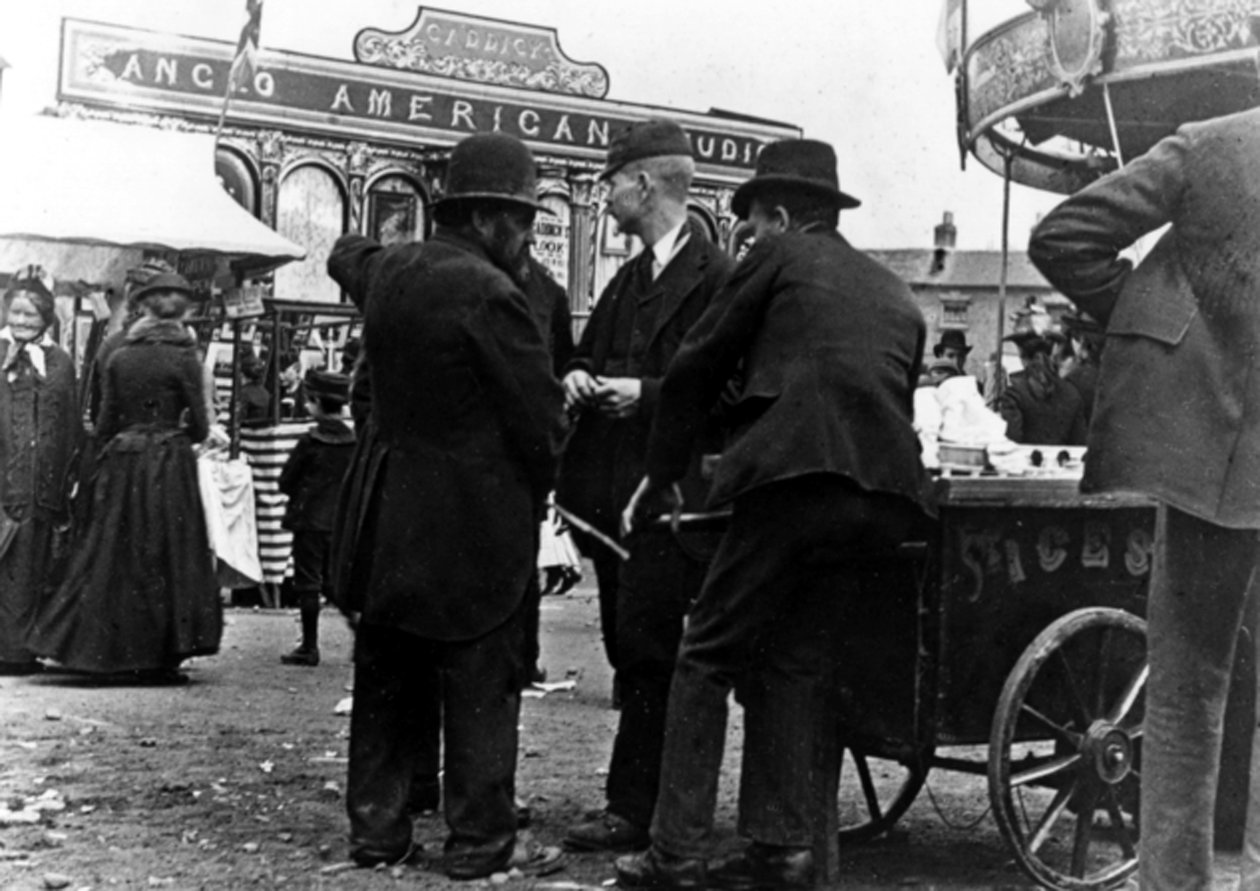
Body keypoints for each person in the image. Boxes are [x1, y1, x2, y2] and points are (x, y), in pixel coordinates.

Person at [616, 139, 933, 890]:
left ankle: (676, 852)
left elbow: (697, 364)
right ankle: (783, 850)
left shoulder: (779, 256)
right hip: (885, 501)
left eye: (753, 222)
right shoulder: (894, 290)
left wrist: (663, 474)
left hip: (794, 480)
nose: (746, 237)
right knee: (795, 656)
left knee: (706, 653)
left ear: (785, 216)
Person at [1027, 106, 1260, 891]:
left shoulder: (1212, 145)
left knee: (1186, 697)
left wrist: (1157, 328)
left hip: (1215, 468)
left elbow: (1063, 237)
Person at [326, 132, 565, 879]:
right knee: (479, 681)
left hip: (386, 508)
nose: (527, 237)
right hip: (472, 519)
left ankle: (378, 832)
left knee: (386, 673)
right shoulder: (497, 294)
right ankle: (479, 844)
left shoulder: (392, 270)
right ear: (493, 218)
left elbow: (345, 252)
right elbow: (541, 423)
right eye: (524, 221)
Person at [557, 118, 734, 854]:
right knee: (629, 647)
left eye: (609, 182)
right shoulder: (630, 276)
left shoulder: (719, 277)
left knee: (651, 650)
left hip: (674, 499)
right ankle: (645, 801)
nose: (603, 195)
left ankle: (639, 807)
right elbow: (587, 350)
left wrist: (648, 394)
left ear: (644, 184)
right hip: (611, 499)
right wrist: (574, 372)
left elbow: (733, 388)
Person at [28, 272, 220, 684]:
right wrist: (179, 434)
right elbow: (202, 426)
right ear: (183, 311)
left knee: (112, 553)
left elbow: (103, 421)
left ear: (142, 306)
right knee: (167, 553)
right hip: (168, 459)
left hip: (121, 460)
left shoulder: (119, 353)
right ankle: (157, 656)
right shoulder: (185, 355)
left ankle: (103, 650)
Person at [0, 266, 82, 675]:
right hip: (4, 480)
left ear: (45, 319)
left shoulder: (60, 362)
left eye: (30, 316)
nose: (21, 322)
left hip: (42, 483)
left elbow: (69, 419)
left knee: (32, 566)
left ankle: (21, 651)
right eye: (15, 313)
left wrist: (67, 473)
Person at [276, 368, 355, 667]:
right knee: (336, 582)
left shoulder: (309, 442)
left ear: (317, 403)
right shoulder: (354, 442)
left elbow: (286, 481)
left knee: (307, 582)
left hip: (309, 520)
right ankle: (358, 630)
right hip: (341, 522)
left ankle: (309, 646)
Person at [994, 330, 1087, 445]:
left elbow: (1011, 439)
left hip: (1022, 461)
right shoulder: (1072, 393)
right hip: (1061, 461)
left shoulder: (1014, 392)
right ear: (1052, 353)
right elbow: (1079, 443)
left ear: (1022, 357)